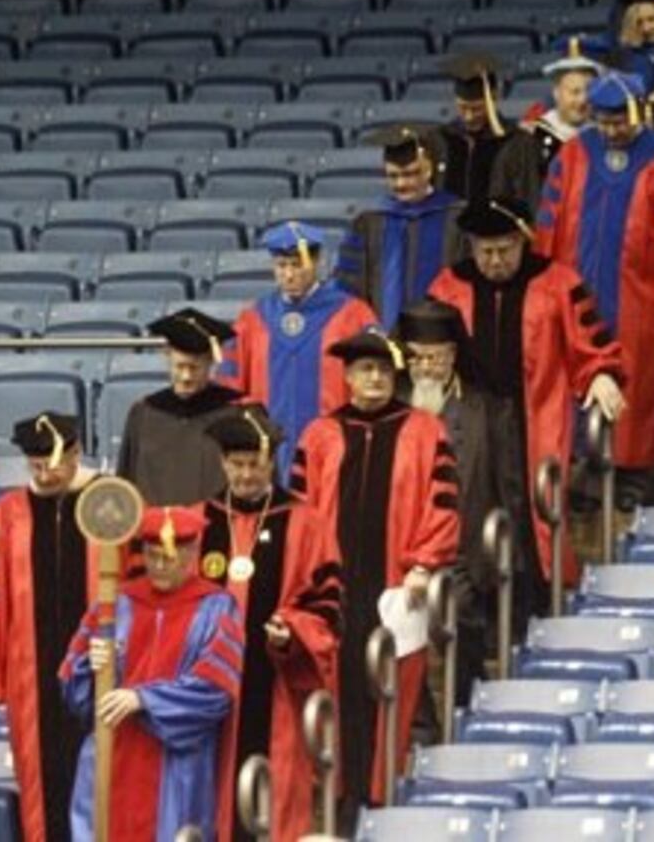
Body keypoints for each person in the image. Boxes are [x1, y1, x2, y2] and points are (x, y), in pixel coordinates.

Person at [275, 329, 460, 824]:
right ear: (348, 376)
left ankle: (382, 800)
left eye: (382, 369)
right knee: (335, 685)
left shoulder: (425, 431)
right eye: (364, 369)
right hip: (333, 586)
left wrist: (424, 562)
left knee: (390, 687)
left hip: (397, 586)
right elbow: (302, 510)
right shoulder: (319, 435)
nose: (374, 377)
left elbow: (441, 503)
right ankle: (338, 795)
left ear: (394, 373)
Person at [428, 197, 625, 629]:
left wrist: (601, 374)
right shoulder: (448, 285)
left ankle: (540, 609)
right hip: (471, 416)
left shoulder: (557, 282)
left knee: (533, 508)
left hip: (536, 412)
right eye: (485, 251)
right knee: (471, 505)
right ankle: (476, 619)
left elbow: (590, 345)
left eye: (504, 250)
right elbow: (421, 352)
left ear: (521, 241)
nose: (494, 261)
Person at [535, 73, 654, 500]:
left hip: (641, 296)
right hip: (577, 295)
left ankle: (634, 475)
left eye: (620, 122)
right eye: (605, 122)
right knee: (578, 375)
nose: (612, 131)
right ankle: (584, 474)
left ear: (638, 113)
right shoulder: (575, 153)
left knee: (639, 385)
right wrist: (542, 287)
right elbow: (548, 224)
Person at [0, 413, 123, 842]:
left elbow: (135, 588)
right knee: (41, 782)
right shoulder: (8, 513)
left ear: (75, 453)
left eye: (52, 463)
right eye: (35, 466)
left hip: (101, 671)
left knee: (106, 779)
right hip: (32, 678)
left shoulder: (109, 502)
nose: (44, 474)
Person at [62, 506, 240, 842]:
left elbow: (216, 691)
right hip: (112, 753)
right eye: (152, 555)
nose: (159, 566)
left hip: (176, 765)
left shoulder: (217, 607)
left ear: (190, 554)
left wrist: (143, 699)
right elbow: (74, 690)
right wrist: (91, 664)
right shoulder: (114, 602)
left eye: (169, 557)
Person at [394, 300, 524, 706]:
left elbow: (508, 485)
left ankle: (469, 706)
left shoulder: (485, 409)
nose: (427, 367)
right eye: (417, 358)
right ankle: (420, 721)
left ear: (452, 355)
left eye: (435, 357)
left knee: (459, 618)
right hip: (397, 549)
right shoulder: (390, 407)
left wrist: (505, 548)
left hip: (461, 551)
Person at [195, 406, 305, 842]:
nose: (244, 475)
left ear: (271, 463)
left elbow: (324, 598)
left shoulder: (302, 520)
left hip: (273, 684)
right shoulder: (198, 521)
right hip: (210, 687)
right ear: (223, 463)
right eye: (236, 465)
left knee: (271, 799)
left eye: (254, 465)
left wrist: (292, 630)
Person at [217, 221, 377, 474]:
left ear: (316, 262)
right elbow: (231, 390)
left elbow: (374, 384)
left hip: (339, 444)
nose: (289, 275)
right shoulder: (253, 319)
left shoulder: (353, 314)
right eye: (282, 265)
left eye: (297, 265)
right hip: (268, 452)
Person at [336, 126, 467, 326]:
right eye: (393, 176)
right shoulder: (369, 221)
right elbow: (349, 285)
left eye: (410, 174)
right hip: (383, 338)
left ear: (429, 170)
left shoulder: (457, 217)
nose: (401, 184)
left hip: (440, 338)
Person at [117, 307, 241, 505]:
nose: (186, 377)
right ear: (167, 356)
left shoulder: (238, 413)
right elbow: (126, 486)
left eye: (194, 368)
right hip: (155, 531)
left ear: (210, 362)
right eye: (179, 366)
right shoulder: (144, 412)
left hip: (217, 530)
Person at [435, 52, 543, 208]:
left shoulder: (519, 143)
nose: (469, 116)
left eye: (477, 108)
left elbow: (530, 199)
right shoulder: (440, 139)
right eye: (462, 107)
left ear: (493, 97)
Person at [524, 38, 604, 178]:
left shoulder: (605, 134)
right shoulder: (534, 137)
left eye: (589, 92)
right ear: (557, 94)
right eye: (575, 92)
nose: (582, 100)